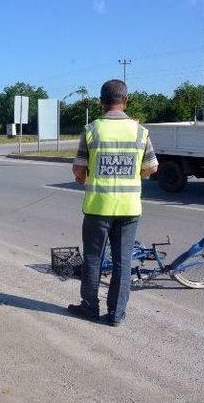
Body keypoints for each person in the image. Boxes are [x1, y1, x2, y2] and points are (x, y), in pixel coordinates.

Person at [68, 79, 158, 327]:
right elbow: (151, 167)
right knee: (123, 261)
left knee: (94, 259)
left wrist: (83, 177)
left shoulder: (92, 130)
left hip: (98, 207)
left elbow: (79, 169)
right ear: (125, 100)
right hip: (129, 209)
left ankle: (89, 308)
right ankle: (116, 315)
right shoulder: (141, 132)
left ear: (101, 102)